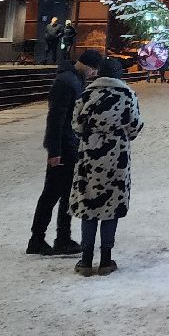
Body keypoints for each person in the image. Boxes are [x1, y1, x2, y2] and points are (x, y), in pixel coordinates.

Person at [70, 56, 143, 277]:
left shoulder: (87, 94)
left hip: (89, 156)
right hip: (117, 156)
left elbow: (76, 124)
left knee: (89, 205)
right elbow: (135, 126)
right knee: (112, 205)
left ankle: (85, 259)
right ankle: (106, 259)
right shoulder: (127, 94)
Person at [26, 47, 102, 256]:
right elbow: (56, 119)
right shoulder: (66, 82)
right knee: (51, 195)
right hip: (63, 149)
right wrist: (54, 151)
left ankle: (62, 237)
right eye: (93, 69)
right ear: (85, 65)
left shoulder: (74, 81)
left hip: (70, 147)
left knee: (67, 195)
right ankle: (38, 239)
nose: (94, 74)